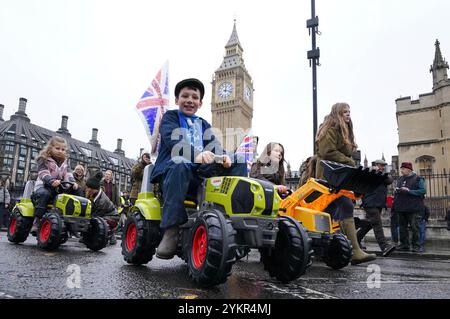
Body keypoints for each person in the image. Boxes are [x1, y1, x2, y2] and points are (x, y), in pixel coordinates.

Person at [149, 78, 247, 259]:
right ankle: (172, 230)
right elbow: (173, 140)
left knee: (238, 160)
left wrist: (224, 156)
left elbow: (214, 145)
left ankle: (236, 223)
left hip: (198, 174)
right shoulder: (170, 117)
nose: (189, 100)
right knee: (181, 163)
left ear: (200, 103)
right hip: (173, 172)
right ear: (177, 99)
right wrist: (196, 155)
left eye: (194, 97)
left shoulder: (203, 124)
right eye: (185, 96)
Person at [315, 102, 376, 265]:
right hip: (327, 177)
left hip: (339, 177)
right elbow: (327, 152)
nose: (348, 114)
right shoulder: (329, 128)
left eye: (349, 111)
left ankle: (346, 249)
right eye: (344, 112)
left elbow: (345, 151)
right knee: (340, 207)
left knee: (338, 208)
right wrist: (348, 160)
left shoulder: (344, 130)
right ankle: (351, 251)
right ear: (337, 113)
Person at [31, 137, 82, 234]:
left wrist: (73, 183)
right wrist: (50, 180)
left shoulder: (65, 162)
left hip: (59, 187)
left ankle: (76, 221)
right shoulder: (44, 159)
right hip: (45, 186)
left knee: (78, 190)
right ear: (50, 148)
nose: (60, 151)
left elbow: (68, 174)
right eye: (57, 148)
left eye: (63, 149)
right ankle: (37, 220)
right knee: (44, 194)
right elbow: (43, 173)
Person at [357, 159, 396, 257]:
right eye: (381, 165)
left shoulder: (382, 175)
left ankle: (356, 240)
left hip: (378, 204)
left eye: (383, 166)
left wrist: (380, 173)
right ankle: (384, 247)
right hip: (370, 204)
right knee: (377, 224)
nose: (382, 167)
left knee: (370, 224)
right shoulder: (369, 174)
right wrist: (373, 172)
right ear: (375, 165)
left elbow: (390, 180)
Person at [393, 162, 426, 252]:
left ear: (409, 169)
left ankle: (416, 245)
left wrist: (409, 191)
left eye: (403, 169)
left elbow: (423, 191)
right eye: (401, 169)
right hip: (401, 207)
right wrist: (397, 191)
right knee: (402, 227)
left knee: (415, 227)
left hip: (414, 208)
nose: (401, 170)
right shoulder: (400, 179)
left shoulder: (418, 179)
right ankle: (404, 244)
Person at [85, 171, 120, 245]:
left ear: (94, 189)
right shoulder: (92, 194)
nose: (87, 189)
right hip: (105, 215)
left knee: (98, 222)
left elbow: (95, 216)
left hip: (113, 218)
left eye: (89, 188)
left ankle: (110, 233)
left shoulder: (102, 201)